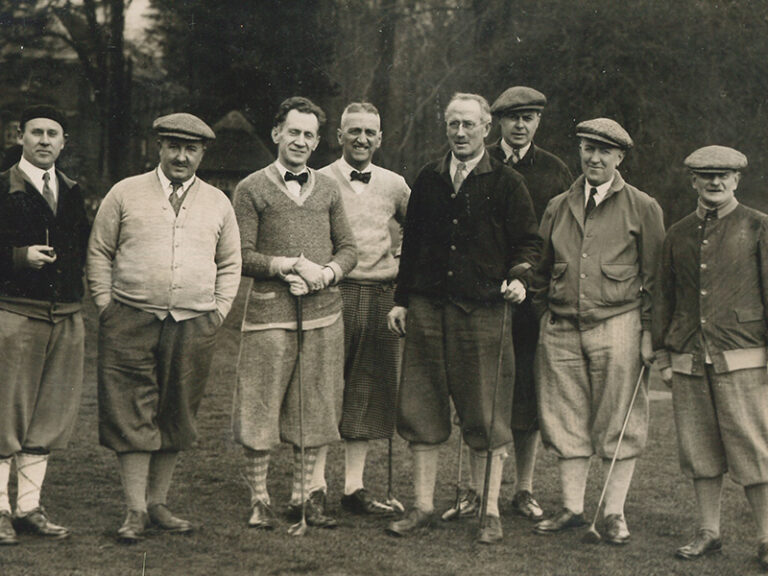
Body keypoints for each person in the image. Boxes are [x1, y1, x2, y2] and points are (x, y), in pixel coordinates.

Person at [385, 93, 541, 544]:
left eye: (469, 125)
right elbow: (411, 246)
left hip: (484, 314)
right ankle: (422, 508)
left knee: (487, 412)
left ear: (486, 129)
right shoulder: (429, 179)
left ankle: (489, 511)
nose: (460, 132)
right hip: (429, 309)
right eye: (453, 124)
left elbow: (529, 244)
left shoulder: (508, 183)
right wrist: (401, 300)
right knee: (421, 408)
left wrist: (519, 278)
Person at [87, 113, 241, 543]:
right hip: (131, 318)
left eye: (190, 148)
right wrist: (105, 306)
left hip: (193, 322)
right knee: (130, 410)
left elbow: (230, 262)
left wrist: (219, 311)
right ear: (159, 147)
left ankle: (158, 503)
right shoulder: (126, 193)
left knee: (177, 409)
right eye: (173, 146)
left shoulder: (217, 202)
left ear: (202, 153)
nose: (181, 156)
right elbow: (99, 251)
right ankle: (134, 510)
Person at [532, 118, 664, 544]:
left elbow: (656, 278)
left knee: (619, 421)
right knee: (564, 420)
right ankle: (572, 508)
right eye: (589, 148)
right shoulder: (558, 205)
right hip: (561, 328)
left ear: (620, 157)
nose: (595, 157)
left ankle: (613, 514)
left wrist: (648, 334)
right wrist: (541, 313)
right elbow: (540, 267)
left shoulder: (643, 206)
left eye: (605, 150)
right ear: (580, 151)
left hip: (619, 324)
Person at [231, 97, 357, 530]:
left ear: (318, 141)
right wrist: (286, 266)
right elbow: (241, 255)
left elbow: (349, 249)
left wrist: (324, 273)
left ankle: (304, 498)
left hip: (323, 314)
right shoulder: (251, 188)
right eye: (293, 132)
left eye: (308, 135)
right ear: (276, 134)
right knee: (260, 408)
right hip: (269, 317)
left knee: (316, 408)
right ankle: (260, 499)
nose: (300, 141)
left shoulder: (327, 189)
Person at [653, 146, 768, 568]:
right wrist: (663, 354)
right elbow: (665, 298)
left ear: (737, 180)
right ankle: (708, 532)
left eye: (724, 176)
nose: (715, 182)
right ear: (693, 182)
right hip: (688, 355)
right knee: (699, 450)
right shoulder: (677, 233)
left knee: (753, 448)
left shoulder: (758, 226)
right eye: (706, 176)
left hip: (743, 356)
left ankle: (766, 537)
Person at [0, 105, 90, 545]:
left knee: (48, 417)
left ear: (63, 142)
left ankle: (29, 508)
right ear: (21, 136)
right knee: (5, 414)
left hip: (66, 317)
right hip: (15, 314)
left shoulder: (73, 190)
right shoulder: (3, 186)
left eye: (53, 133)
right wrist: (19, 256)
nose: (44, 140)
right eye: (36, 132)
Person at [485, 85, 573, 521]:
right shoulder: (478, 161)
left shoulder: (556, 170)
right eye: (513, 117)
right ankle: (474, 490)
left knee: (527, 394)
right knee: (481, 392)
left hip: (534, 299)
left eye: (530, 118)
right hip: (481, 295)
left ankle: (523, 488)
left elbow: (565, 236)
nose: (521, 126)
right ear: (498, 121)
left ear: (538, 122)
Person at [318, 102, 410, 514]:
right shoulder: (319, 180)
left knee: (367, 389)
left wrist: (402, 259)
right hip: (334, 291)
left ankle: (354, 488)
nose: (362, 139)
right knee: (322, 385)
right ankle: (314, 484)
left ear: (380, 138)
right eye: (353, 131)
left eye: (370, 132)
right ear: (339, 135)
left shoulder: (394, 184)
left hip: (379, 295)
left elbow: (418, 227)